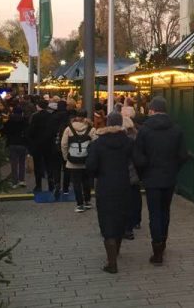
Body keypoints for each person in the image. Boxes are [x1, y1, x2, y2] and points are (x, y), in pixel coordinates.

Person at [133, 96, 188, 265]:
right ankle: (162, 242)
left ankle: (156, 249)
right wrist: (174, 169)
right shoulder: (176, 129)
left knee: (154, 213)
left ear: (152, 110)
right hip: (169, 177)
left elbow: (138, 157)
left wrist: (143, 173)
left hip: (151, 178)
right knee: (165, 211)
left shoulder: (144, 130)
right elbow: (183, 155)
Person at [86, 112, 134, 274]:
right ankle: (117, 249)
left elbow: (90, 165)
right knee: (120, 216)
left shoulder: (98, 143)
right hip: (123, 183)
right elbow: (137, 160)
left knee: (106, 219)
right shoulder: (128, 142)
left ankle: (111, 261)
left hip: (105, 185)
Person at [61, 110, 97, 213]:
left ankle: (79, 204)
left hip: (72, 160)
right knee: (86, 181)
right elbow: (95, 144)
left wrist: (66, 157)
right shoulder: (91, 129)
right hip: (86, 160)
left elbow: (64, 144)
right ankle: (87, 201)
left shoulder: (69, 129)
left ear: (76, 117)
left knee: (76, 183)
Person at [122, 116, 142, 240]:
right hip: (136, 172)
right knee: (136, 196)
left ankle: (128, 222)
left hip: (126, 173)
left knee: (127, 199)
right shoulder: (138, 136)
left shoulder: (124, 140)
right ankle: (137, 220)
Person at [26, 100, 52, 192]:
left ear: (38, 106)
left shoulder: (35, 116)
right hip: (48, 144)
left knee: (38, 165)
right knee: (49, 165)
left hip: (37, 144)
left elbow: (31, 131)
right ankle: (51, 185)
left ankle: (38, 185)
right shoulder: (50, 116)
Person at [48, 100, 72, 197]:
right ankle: (65, 187)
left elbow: (49, 132)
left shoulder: (53, 117)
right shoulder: (69, 117)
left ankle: (57, 184)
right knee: (66, 167)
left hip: (55, 145)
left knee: (56, 167)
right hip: (66, 145)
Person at [1, 106, 28, 188]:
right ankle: (22, 180)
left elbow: (4, 132)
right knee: (22, 163)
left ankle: (14, 182)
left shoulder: (9, 121)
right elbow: (28, 133)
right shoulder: (25, 122)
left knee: (14, 163)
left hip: (12, 144)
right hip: (23, 144)